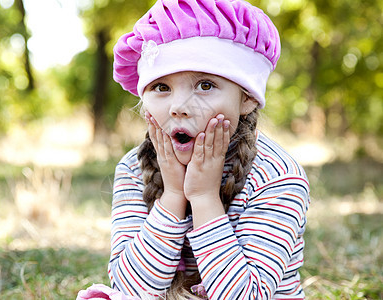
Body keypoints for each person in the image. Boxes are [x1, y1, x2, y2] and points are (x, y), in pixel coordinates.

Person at [107, 0, 311, 299]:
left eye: (205, 85)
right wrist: (173, 197)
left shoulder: (276, 175)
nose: (178, 108)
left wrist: (203, 197)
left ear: (247, 99)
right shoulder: (132, 168)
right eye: (161, 87)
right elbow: (129, 290)